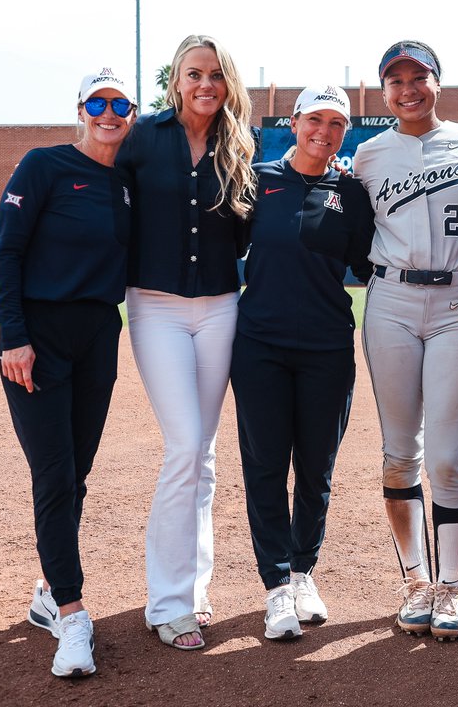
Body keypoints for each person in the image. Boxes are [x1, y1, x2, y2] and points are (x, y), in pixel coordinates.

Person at [352, 40, 458, 641]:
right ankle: (416, 581)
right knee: (398, 451)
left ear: (438, 81)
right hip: (389, 300)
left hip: (457, 301)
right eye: (395, 80)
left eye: (419, 76)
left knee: (445, 457)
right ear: (383, 90)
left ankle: (452, 589)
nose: (407, 88)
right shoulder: (367, 156)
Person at [116, 34, 258, 651]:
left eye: (216, 75)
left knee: (205, 454)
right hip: (157, 308)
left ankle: (195, 589)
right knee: (183, 447)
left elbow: (251, 225)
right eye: (193, 74)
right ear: (176, 81)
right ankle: (167, 602)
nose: (205, 85)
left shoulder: (238, 144)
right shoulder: (144, 137)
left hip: (221, 306)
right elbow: (104, 196)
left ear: (228, 84)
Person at [0, 67, 137, 678]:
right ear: (80, 108)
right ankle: (73, 617)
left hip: (99, 334)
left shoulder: (130, 182)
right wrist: (14, 336)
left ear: (132, 113)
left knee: (75, 475)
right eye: (98, 102)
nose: (109, 113)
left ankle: (48, 589)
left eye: (121, 104)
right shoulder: (43, 165)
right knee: (54, 474)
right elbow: (8, 250)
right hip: (40, 339)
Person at [230, 85, 376, 641]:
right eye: (315, 118)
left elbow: (370, 265)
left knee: (316, 469)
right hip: (260, 345)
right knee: (266, 465)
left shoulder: (351, 190)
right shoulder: (257, 180)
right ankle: (274, 587)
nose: (325, 130)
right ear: (293, 122)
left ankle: (301, 572)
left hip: (327, 346)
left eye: (337, 122)